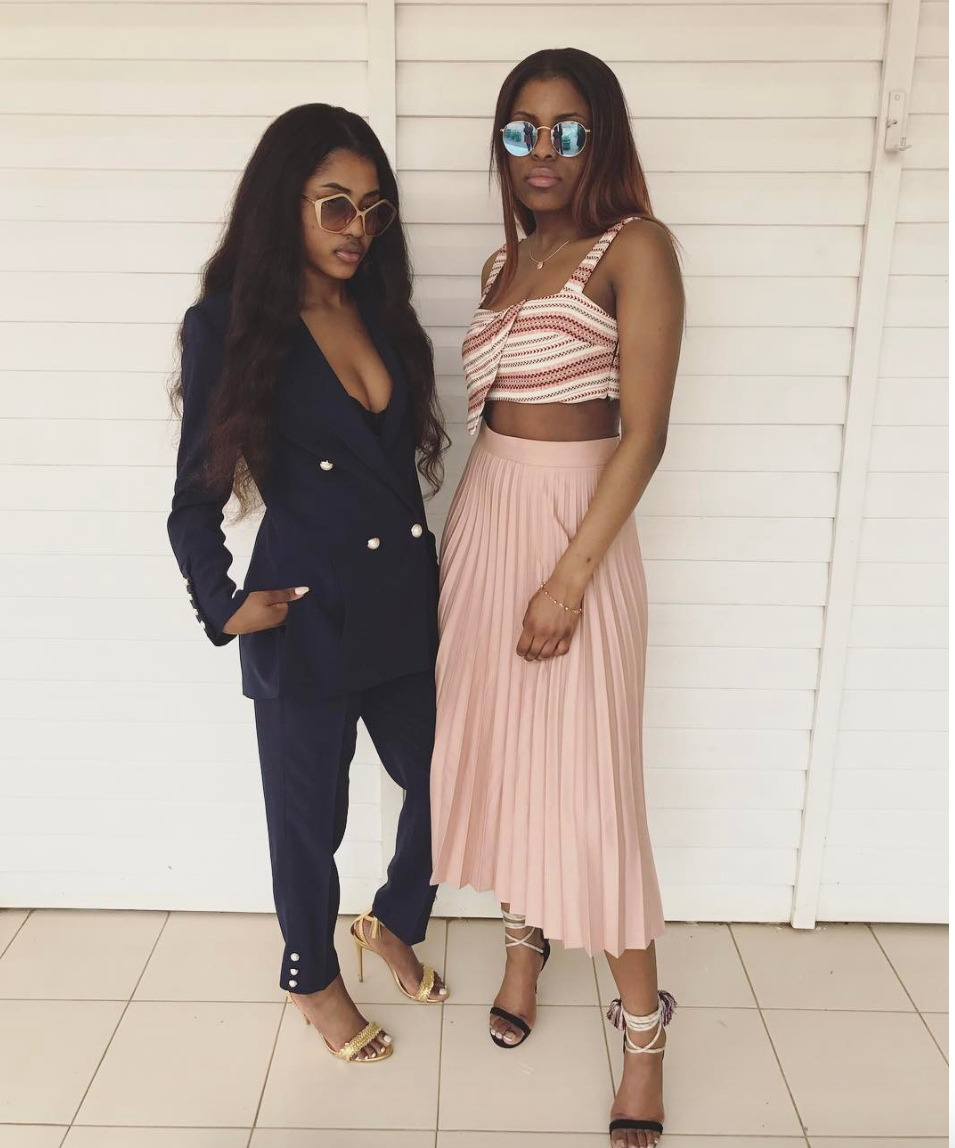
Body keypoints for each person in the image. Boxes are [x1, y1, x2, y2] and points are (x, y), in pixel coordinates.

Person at [429, 50, 684, 1145]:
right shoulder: (508, 257)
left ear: (601, 139)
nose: (542, 150)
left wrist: (570, 578)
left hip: (577, 534)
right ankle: (523, 948)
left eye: (567, 130)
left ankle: (645, 1037)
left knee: (589, 787)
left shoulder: (637, 248)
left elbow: (645, 433)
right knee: (501, 753)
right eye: (522, 129)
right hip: (486, 521)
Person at [168, 103, 450, 1065]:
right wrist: (221, 605)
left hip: (403, 604)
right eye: (334, 204)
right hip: (305, 615)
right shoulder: (227, 326)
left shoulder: (381, 313)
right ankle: (311, 974)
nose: (355, 228)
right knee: (307, 825)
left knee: (452, 779)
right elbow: (192, 501)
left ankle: (394, 919)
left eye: (372, 209)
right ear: (280, 204)